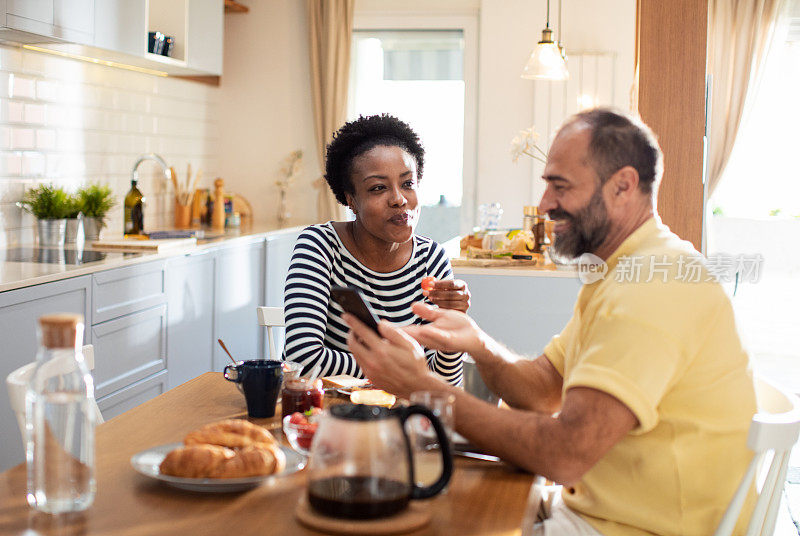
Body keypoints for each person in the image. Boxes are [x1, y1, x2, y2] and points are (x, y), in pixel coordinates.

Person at [344, 108, 757, 536]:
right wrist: (479, 344)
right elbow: (543, 390)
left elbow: (564, 454)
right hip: (598, 510)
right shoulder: (624, 270)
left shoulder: (653, 287)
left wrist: (421, 389)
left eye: (560, 187)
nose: (544, 206)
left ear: (623, 186)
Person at [283, 114, 470, 384]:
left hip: (402, 415)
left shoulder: (432, 259)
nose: (398, 199)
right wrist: (403, 366)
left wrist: (453, 325)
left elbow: (443, 382)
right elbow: (304, 360)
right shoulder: (321, 246)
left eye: (408, 183)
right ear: (352, 201)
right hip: (330, 415)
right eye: (378, 188)